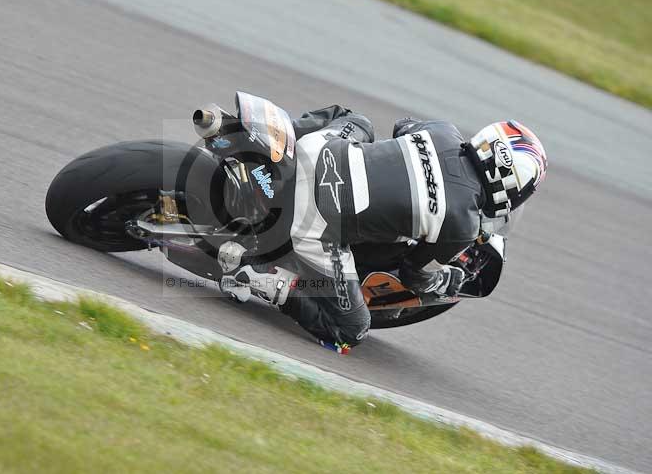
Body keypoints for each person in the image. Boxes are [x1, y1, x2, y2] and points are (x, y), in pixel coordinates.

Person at [217, 106, 548, 350]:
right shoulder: (461, 224)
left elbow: (404, 125)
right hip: (317, 224)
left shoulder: (444, 132)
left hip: (318, 153)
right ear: (512, 186)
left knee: (355, 119)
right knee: (352, 330)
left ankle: (269, 140)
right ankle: (267, 280)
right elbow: (414, 274)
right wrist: (448, 279)